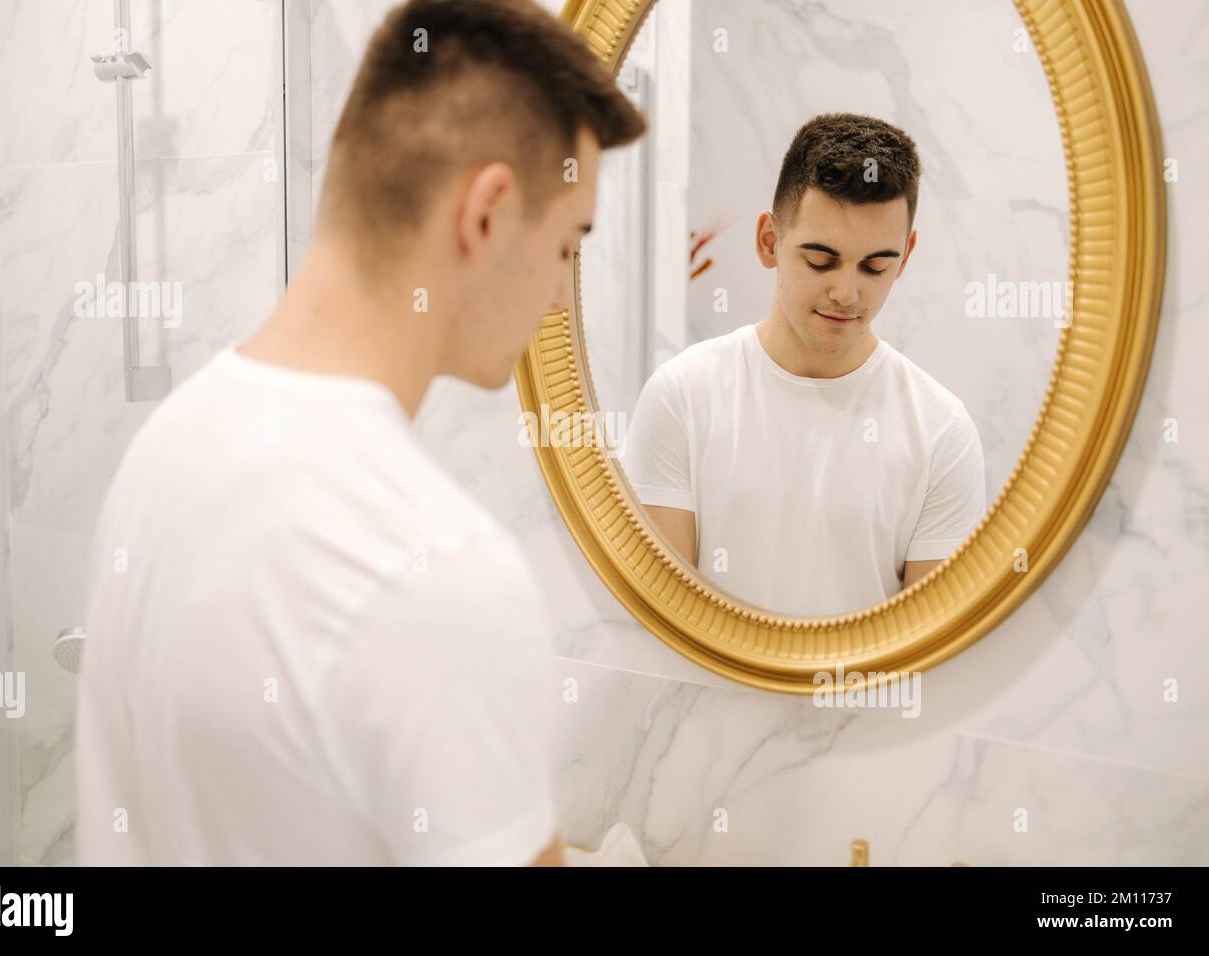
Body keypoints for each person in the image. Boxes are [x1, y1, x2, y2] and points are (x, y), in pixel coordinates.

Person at [75, 0, 645, 866]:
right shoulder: (434, 565)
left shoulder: (166, 449)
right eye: (569, 244)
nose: (563, 296)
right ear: (486, 213)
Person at [621, 113, 986, 618]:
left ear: (905, 257)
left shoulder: (943, 432)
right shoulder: (681, 397)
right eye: (821, 261)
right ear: (769, 242)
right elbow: (663, 623)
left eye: (875, 266)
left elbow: (927, 651)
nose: (847, 293)